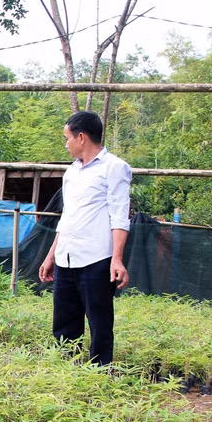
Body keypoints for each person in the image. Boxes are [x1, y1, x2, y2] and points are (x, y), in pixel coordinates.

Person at [38, 111, 131, 365]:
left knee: (99, 323)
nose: (65, 144)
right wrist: (51, 257)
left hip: (97, 258)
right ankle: (66, 372)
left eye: (67, 138)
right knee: (64, 323)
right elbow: (67, 216)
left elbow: (120, 216)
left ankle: (100, 376)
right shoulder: (71, 173)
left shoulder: (115, 168)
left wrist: (117, 259)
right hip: (66, 258)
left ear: (81, 137)